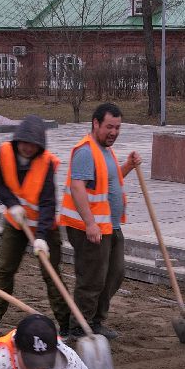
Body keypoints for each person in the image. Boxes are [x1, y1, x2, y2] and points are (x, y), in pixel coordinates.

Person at [0, 115, 73, 340]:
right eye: (24, 143)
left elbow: (48, 203)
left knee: (51, 274)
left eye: (33, 145)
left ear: (40, 146)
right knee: (5, 270)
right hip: (15, 223)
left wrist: (41, 237)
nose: (28, 148)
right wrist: (12, 205)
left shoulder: (46, 163)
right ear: (17, 140)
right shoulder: (4, 152)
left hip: (43, 226)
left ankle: (65, 324)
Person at [60, 102, 141, 338]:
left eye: (117, 127)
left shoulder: (105, 150)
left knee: (115, 273)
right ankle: (79, 326)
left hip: (110, 226)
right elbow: (77, 187)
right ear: (96, 123)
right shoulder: (86, 151)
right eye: (109, 127)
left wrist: (128, 165)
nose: (114, 132)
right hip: (92, 228)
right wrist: (90, 224)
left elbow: (109, 180)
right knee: (92, 278)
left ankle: (96, 320)